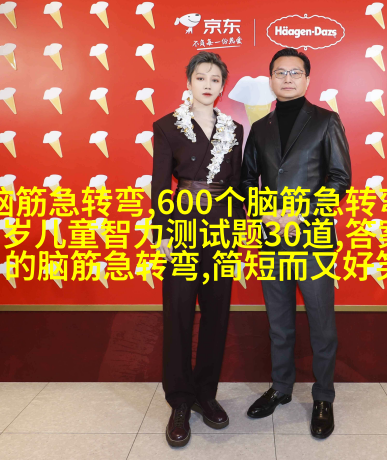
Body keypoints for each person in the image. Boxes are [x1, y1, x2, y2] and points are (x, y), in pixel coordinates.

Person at [239, 48, 352, 439]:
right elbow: (247, 181)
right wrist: (264, 213)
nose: (287, 78)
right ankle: (281, 387)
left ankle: (323, 397)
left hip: (313, 240)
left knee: (321, 323)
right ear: (270, 78)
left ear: (307, 79)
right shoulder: (260, 127)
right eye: (280, 72)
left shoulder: (326, 120)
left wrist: (300, 214)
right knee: (280, 324)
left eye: (295, 72)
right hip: (271, 240)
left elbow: (340, 178)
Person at [150, 51, 245, 448]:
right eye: (201, 77)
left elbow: (240, 185)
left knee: (217, 313)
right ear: (188, 82)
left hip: (222, 226)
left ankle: (207, 394)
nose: (207, 84)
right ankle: (179, 401)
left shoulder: (234, 128)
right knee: (178, 312)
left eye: (215, 79)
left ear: (222, 87)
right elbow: (160, 183)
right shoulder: (166, 126)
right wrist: (162, 233)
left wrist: (240, 231)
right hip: (184, 224)